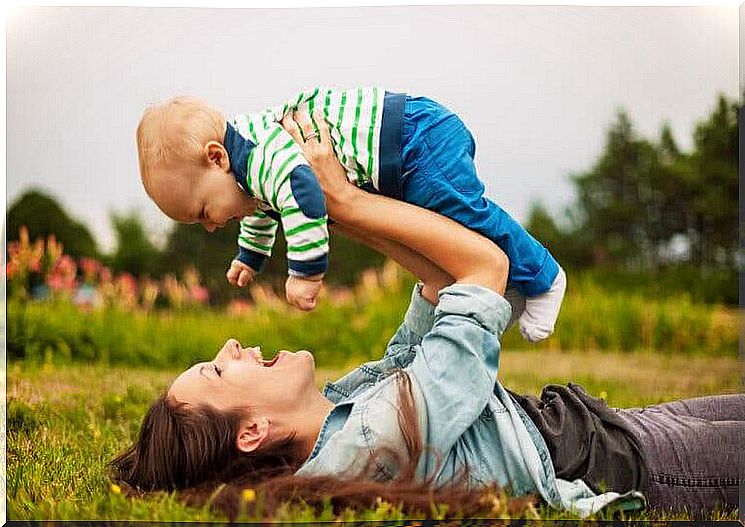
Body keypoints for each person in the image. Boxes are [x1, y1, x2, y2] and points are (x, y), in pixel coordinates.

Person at [113, 112, 743, 520]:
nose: (230, 344)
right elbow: (482, 271)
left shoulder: (344, 412)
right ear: (252, 433)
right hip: (615, 459)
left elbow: (437, 286)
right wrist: (349, 204)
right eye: (218, 372)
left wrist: (333, 209)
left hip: (586, 425)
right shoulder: (372, 441)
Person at [135, 87, 566, 342]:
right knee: (451, 234)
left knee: (464, 216)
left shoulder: (262, 158)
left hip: (413, 137)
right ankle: (507, 286)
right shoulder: (247, 170)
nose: (211, 225)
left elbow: (302, 192)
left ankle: (544, 276)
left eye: (204, 211)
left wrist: (304, 273)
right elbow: (263, 211)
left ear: (216, 159)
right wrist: (250, 257)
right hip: (400, 152)